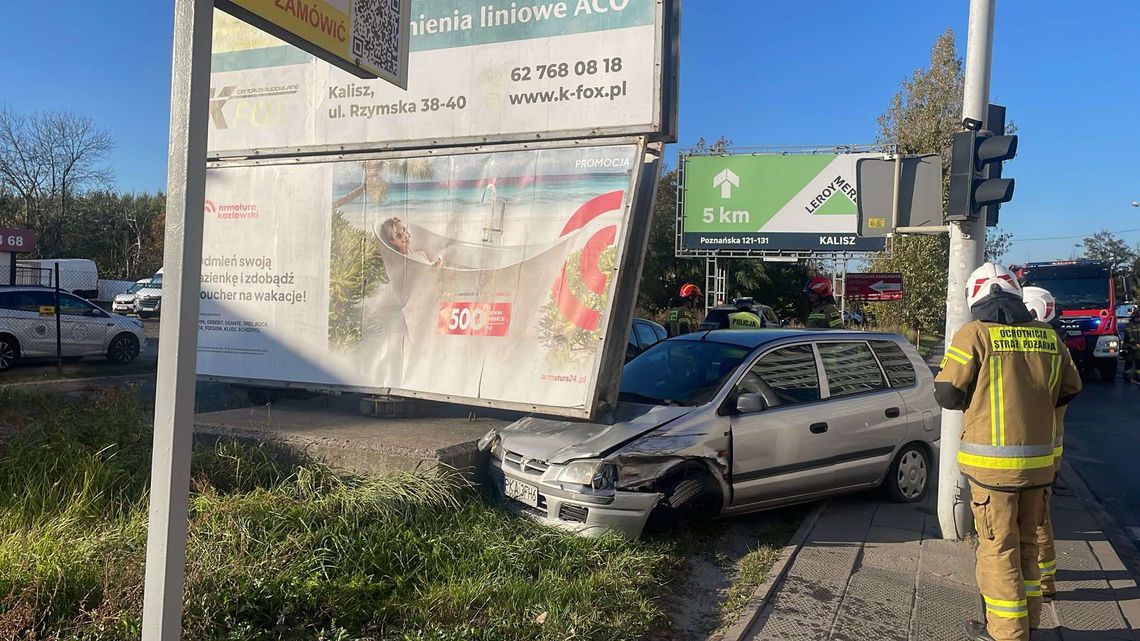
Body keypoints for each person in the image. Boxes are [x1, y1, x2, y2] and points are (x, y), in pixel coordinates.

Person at [935, 264, 1082, 641]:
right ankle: (1030, 621)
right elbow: (1070, 388)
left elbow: (947, 394)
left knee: (998, 550)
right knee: (1029, 543)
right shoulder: (1048, 337)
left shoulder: (975, 336)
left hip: (992, 471)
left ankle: (1007, 633)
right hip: (1040, 467)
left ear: (975, 297)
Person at [1022, 286, 1063, 603]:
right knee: (1039, 517)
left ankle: (1041, 582)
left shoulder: (1039, 343)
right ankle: (1043, 577)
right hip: (1049, 448)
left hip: (1035, 449)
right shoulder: (1054, 343)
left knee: (1034, 520)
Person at [379, 217, 444, 267]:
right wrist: (437, 265)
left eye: (404, 229)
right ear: (393, 241)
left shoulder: (418, 254)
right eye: (398, 235)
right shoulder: (406, 261)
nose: (405, 235)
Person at [1123, 309, 1140, 383]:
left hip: (1138, 347)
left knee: (1138, 361)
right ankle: (1126, 375)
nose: (1138, 319)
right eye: (1136, 317)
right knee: (1129, 361)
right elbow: (1129, 336)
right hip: (1130, 347)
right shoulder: (1129, 326)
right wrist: (1135, 343)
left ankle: (1137, 375)